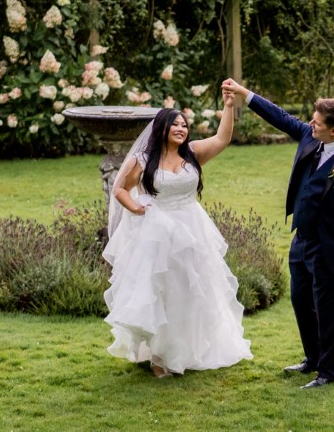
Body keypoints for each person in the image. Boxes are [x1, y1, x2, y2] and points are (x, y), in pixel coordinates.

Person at [221, 78, 334, 390]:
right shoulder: (309, 136)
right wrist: (244, 93)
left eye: (317, 122)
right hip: (301, 239)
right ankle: (313, 358)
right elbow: (279, 116)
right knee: (300, 300)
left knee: (328, 309)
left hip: (332, 245)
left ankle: (329, 371)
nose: (310, 124)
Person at [103, 91, 252, 378]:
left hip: (192, 228)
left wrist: (228, 107)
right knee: (163, 292)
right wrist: (135, 207)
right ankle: (159, 356)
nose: (182, 129)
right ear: (162, 129)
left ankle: (186, 349)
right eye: (176, 125)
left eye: (184, 125)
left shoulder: (193, 153)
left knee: (191, 290)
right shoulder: (144, 159)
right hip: (157, 233)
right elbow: (120, 188)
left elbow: (223, 139)